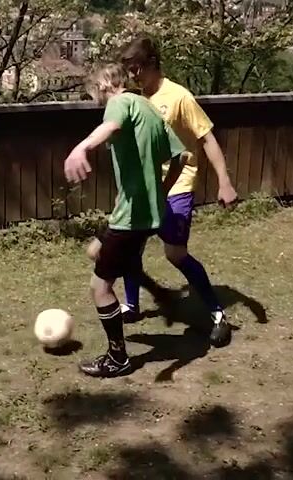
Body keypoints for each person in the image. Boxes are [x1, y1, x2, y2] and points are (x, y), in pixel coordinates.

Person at [64, 63, 185, 378]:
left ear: (104, 85)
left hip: (131, 217)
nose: (97, 101)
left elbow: (111, 126)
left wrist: (81, 147)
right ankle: (157, 290)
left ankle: (118, 358)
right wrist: (159, 191)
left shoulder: (120, 102)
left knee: (100, 286)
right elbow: (180, 156)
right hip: (144, 213)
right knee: (95, 250)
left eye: (95, 94)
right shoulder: (149, 108)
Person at [119, 35, 238, 346]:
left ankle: (217, 314)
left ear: (152, 64)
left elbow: (207, 139)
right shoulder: (136, 98)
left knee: (175, 254)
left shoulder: (179, 97)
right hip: (146, 187)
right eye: (129, 70)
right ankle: (131, 305)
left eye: (136, 69)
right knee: (130, 247)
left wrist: (224, 182)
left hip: (178, 185)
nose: (132, 76)